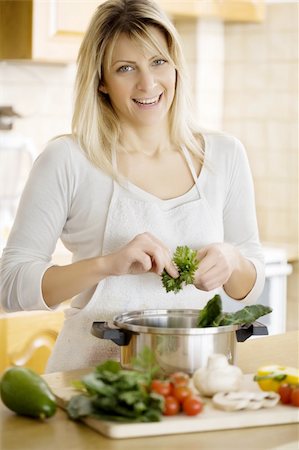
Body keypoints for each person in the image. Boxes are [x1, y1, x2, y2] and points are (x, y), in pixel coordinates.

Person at [0, 0, 265, 373]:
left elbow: (249, 287)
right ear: (101, 81)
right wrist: (108, 264)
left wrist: (232, 260)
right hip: (90, 382)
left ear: (175, 66)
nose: (148, 83)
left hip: (194, 382)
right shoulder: (68, 160)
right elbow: (10, 286)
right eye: (126, 68)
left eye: (158, 62)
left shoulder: (225, 154)